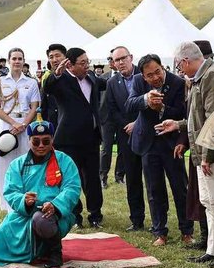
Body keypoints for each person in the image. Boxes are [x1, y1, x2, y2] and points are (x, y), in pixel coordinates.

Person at [0, 119, 82, 268]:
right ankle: (39, 250)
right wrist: (23, 201)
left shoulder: (64, 161)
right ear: (28, 141)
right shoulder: (17, 164)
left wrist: (55, 205)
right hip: (25, 213)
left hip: (57, 214)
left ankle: (55, 253)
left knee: (41, 220)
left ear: (52, 140)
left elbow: (72, 188)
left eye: (46, 141)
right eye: (36, 141)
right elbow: (11, 191)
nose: (41, 146)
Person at [174, 40, 214, 266]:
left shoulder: (213, 75)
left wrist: (207, 156)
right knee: (209, 201)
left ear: (185, 61)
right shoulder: (200, 78)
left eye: (179, 66)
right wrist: (179, 125)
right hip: (202, 152)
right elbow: (197, 118)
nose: (179, 70)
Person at [127, 54, 193, 247]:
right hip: (148, 143)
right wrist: (146, 100)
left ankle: (186, 231)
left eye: (158, 72)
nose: (155, 77)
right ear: (143, 76)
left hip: (172, 143)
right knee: (154, 189)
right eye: (150, 75)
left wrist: (162, 108)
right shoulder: (138, 82)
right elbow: (129, 104)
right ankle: (159, 231)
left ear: (163, 67)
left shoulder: (178, 82)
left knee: (180, 187)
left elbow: (184, 113)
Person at [43, 47, 104, 228]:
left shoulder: (91, 78)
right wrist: (57, 74)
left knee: (93, 178)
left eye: (88, 62)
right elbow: (47, 87)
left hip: (91, 138)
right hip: (69, 140)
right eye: (82, 63)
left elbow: (106, 84)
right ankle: (74, 215)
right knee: (71, 179)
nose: (87, 66)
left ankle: (95, 215)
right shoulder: (61, 81)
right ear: (71, 64)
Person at [0, 47, 41, 212]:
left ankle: (27, 199)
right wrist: (13, 123)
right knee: (5, 163)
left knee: (27, 162)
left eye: (20, 59)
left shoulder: (31, 82)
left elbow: (34, 106)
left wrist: (24, 124)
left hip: (24, 124)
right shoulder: (0, 81)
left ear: (24, 61)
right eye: (14, 59)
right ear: (9, 61)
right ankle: (6, 203)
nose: (17, 62)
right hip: (7, 124)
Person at [106, 46, 145, 231]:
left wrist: (138, 123)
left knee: (154, 181)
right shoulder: (112, 82)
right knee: (133, 179)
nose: (120, 62)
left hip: (149, 133)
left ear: (131, 57)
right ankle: (137, 220)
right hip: (126, 136)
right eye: (116, 60)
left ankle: (159, 222)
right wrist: (127, 126)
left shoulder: (145, 74)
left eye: (123, 58)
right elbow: (112, 109)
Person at [98, 56, 121, 189]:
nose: (112, 62)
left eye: (115, 59)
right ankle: (103, 177)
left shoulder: (126, 78)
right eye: (110, 60)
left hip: (122, 118)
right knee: (106, 148)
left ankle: (120, 176)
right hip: (106, 118)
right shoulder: (103, 78)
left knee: (123, 149)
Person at [40, 43, 67, 130]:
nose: (55, 60)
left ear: (65, 57)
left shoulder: (75, 76)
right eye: (51, 57)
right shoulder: (48, 79)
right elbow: (44, 105)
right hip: (53, 126)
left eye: (57, 56)